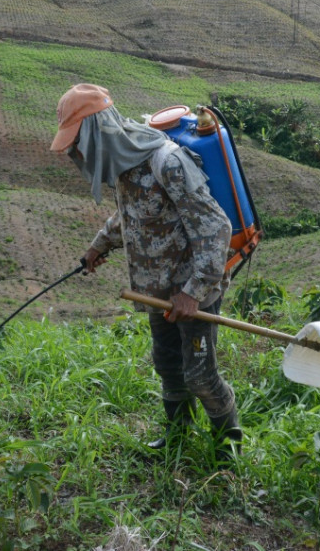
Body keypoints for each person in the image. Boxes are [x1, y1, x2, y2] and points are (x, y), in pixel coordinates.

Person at [50, 83, 242, 462]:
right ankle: (177, 438)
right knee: (168, 366)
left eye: (78, 143)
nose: (77, 153)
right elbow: (131, 216)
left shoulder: (166, 163)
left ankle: (228, 447)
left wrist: (193, 291)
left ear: (96, 133)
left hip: (192, 291)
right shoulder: (123, 166)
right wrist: (98, 246)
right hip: (156, 291)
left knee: (200, 375)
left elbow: (215, 227)